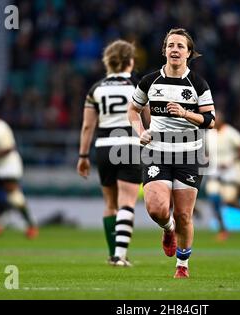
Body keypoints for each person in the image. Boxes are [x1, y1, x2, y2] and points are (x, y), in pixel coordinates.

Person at [128, 28, 215, 278]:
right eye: (170, 45)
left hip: (189, 154)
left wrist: (186, 113)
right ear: (164, 50)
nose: (175, 49)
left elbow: (210, 120)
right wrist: (140, 130)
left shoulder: (198, 84)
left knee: (184, 215)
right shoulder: (149, 81)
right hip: (157, 151)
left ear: (189, 53)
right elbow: (133, 110)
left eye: (180, 46)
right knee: (156, 209)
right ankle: (168, 229)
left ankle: (183, 265)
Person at [77, 39, 146, 267]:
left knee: (110, 203)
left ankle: (111, 254)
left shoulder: (96, 89)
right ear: (131, 61)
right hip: (129, 145)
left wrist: (83, 156)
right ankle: (120, 255)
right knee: (127, 202)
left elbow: (87, 126)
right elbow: (147, 120)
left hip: (104, 147)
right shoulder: (137, 87)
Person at [0, 107, 38, 239]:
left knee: (14, 197)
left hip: (8, 166)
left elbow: (9, 148)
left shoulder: (1, 128)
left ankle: (30, 224)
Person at [205, 110, 240, 241]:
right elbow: (206, 152)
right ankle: (223, 229)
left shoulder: (231, 132)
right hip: (215, 171)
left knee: (229, 200)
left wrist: (231, 161)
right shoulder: (210, 134)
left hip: (232, 171)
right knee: (214, 198)